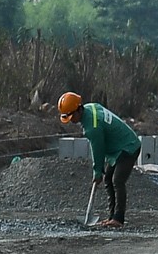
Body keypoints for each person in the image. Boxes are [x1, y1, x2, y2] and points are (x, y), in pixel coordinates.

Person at [58, 92, 141, 229]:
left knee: (117, 180)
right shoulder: (90, 108)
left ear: (79, 109)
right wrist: (101, 172)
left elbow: (98, 149)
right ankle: (111, 217)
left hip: (128, 147)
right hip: (118, 148)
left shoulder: (92, 127)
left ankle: (118, 218)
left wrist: (97, 171)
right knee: (108, 178)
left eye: (72, 116)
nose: (71, 120)